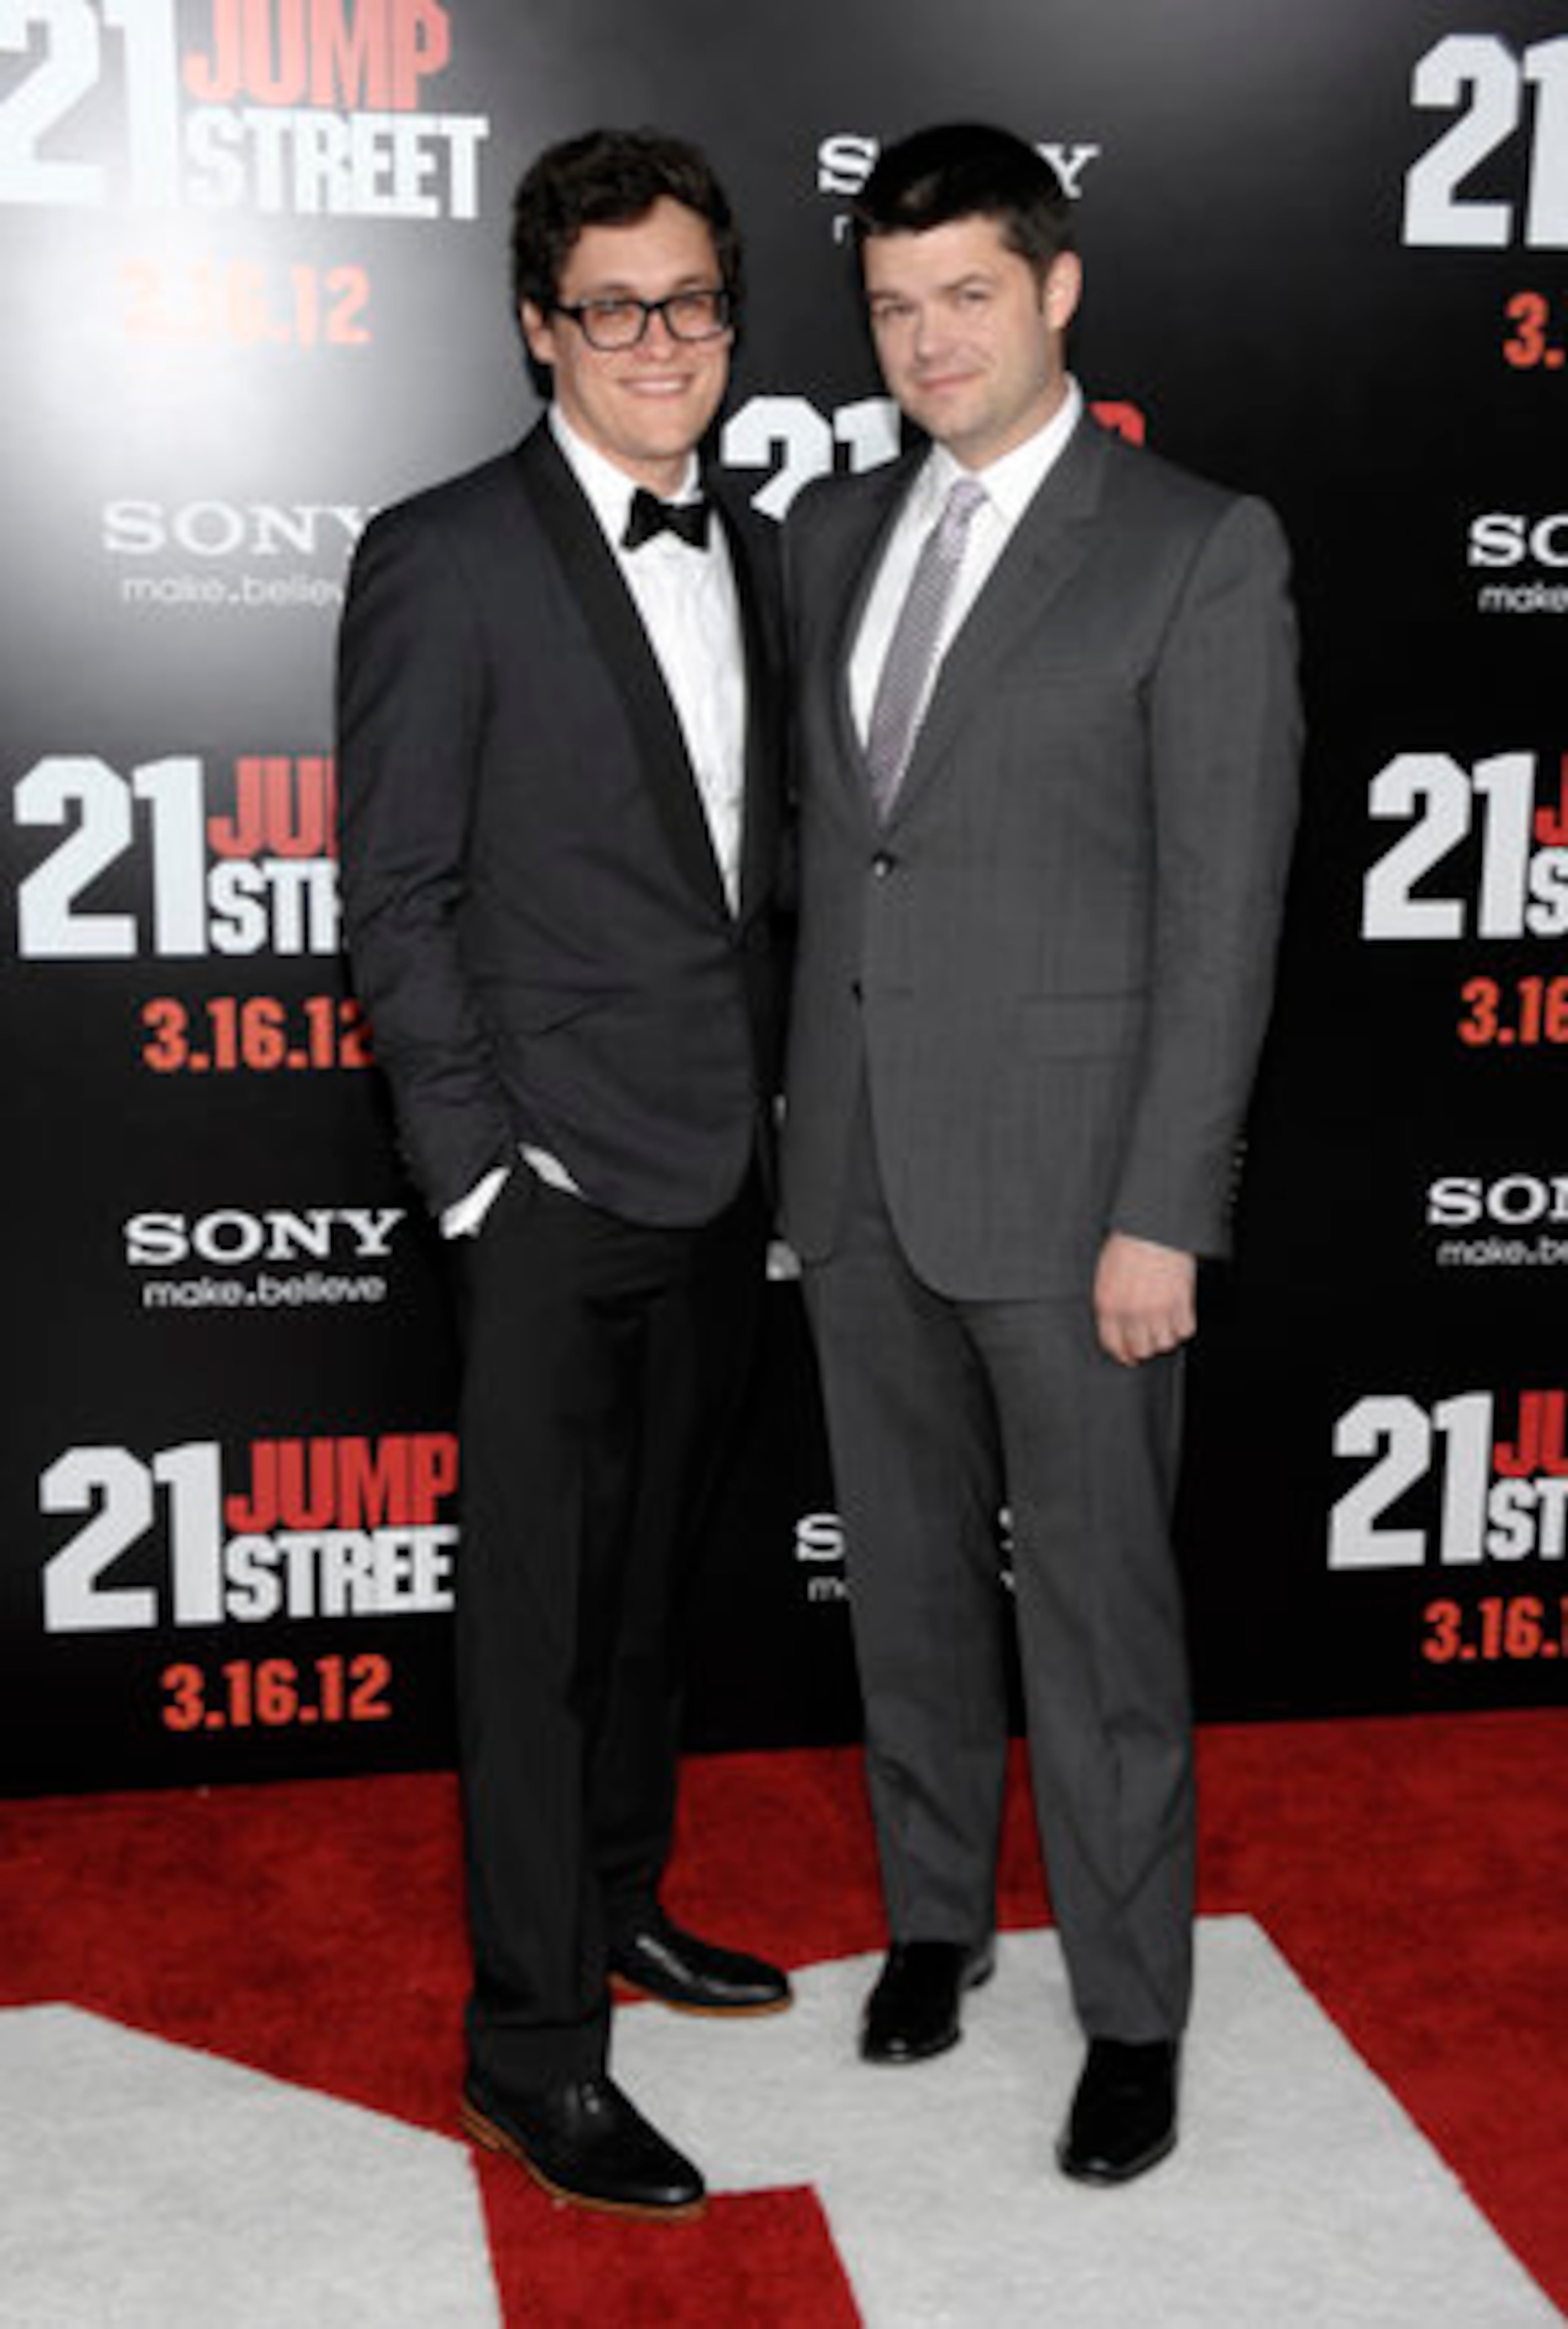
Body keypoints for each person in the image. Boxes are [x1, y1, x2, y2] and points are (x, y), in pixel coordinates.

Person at [782, 122, 1301, 2184]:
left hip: (1083, 1197)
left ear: (1059, 290)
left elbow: (1225, 909)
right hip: (858, 1176)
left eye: (967, 296)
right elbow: (841, 868)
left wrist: (1167, 1205)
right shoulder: (831, 533)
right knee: (906, 1588)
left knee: (1096, 1620)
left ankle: (1133, 2010)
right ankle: (934, 1921)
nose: (929, 341)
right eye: (895, 308)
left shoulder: (1195, 543)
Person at [337, 127, 791, 2223]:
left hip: (717, 1177)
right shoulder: (446, 553)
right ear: (538, 327)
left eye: (691, 299)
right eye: (613, 306)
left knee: (650, 1602)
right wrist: (474, 1183)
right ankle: (530, 2051)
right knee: (530, 1632)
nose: (660, 343)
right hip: (545, 1192)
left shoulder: (761, 543)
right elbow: (401, 895)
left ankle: (619, 1902)